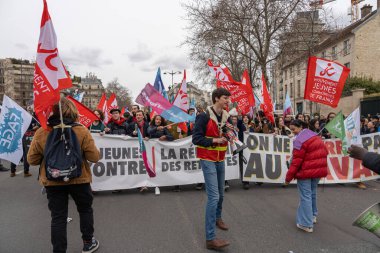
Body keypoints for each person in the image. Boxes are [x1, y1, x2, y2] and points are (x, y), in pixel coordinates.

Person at [27, 98, 100, 253]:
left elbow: (31, 160)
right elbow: (94, 157)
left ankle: (59, 250)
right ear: (73, 111)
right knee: (85, 210)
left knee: (58, 217)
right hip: (79, 179)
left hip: (52, 181)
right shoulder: (81, 130)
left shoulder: (41, 132)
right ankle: (88, 242)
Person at [192, 87, 231, 250]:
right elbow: (196, 138)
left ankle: (217, 217)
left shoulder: (226, 116)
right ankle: (210, 239)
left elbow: (226, 134)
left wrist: (230, 134)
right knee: (214, 197)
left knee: (221, 193)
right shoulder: (203, 116)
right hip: (207, 159)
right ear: (216, 99)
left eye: (228, 98)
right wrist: (215, 140)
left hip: (220, 158)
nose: (228, 101)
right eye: (225, 98)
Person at [285, 119, 328, 233]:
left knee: (306, 196)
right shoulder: (314, 135)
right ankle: (313, 216)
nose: (292, 131)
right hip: (318, 170)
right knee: (312, 193)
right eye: (291, 129)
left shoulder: (299, 140)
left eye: (294, 129)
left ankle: (306, 224)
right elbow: (325, 151)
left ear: (300, 127)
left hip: (306, 171)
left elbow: (296, 162)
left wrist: (288, 178)